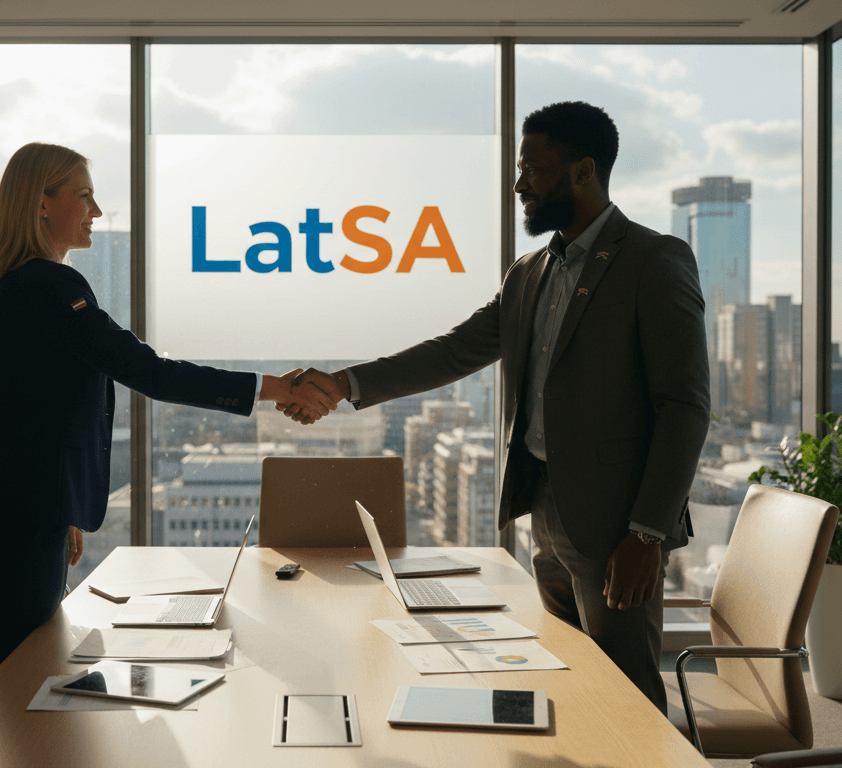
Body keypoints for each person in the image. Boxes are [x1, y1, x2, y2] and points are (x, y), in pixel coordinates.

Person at [287, 102, 709, 711]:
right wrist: (346, 382)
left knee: (628, 695)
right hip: (545, 507)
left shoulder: (654, 260)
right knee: (567, 680)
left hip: (619, 526)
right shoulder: (529, 272)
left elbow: (685, 406)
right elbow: (454, 352)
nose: (519, 186)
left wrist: (647, 532)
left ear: (583, 171)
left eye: (532, 170)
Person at [0, 142, 340, 688]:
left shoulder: (13, 287)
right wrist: (276, 388)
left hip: (19, 508)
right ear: (42, 203)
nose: (97, 211)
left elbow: (10, 410)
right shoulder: (48, 285)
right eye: (84, 195)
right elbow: (149, 371)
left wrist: (61, 506)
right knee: (10, 683)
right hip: (20, 515)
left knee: (15, 671)